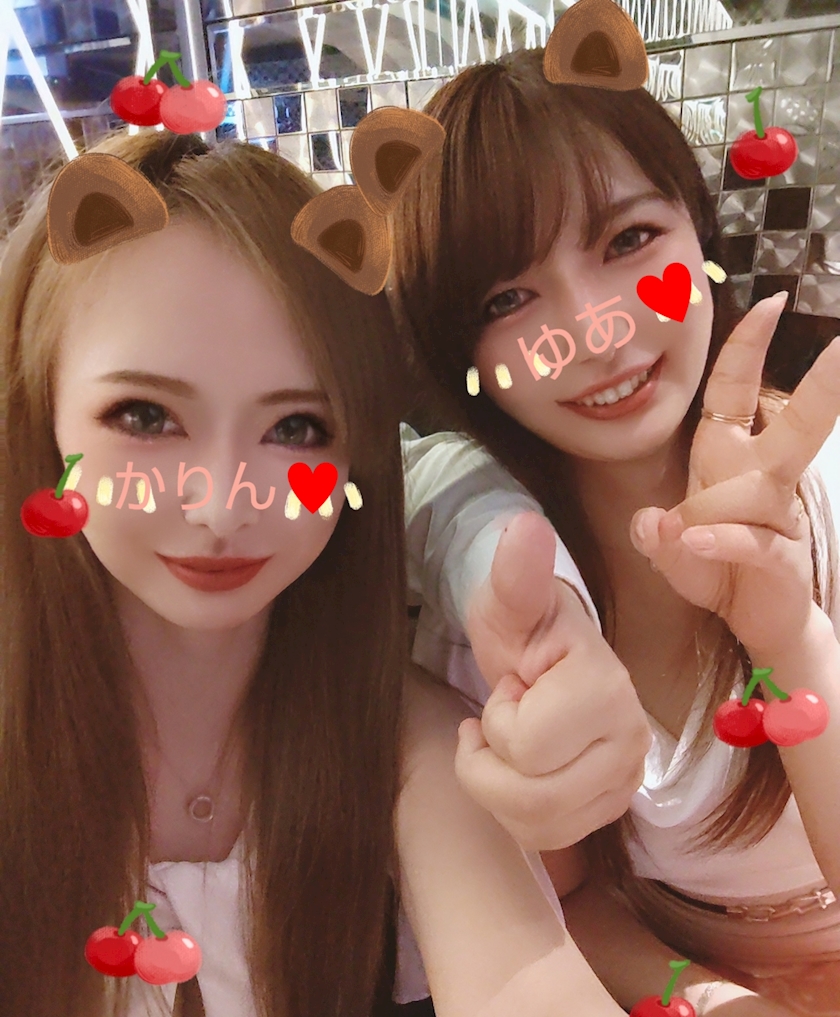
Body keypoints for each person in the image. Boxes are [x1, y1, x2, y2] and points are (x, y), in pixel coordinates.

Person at [0, 129, 632, 1017]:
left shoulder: (402, 741)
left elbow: (523, 978)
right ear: (41, 410)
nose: (222, 505)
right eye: (145, 415)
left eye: (295, 427)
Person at [389, 46, 840, 1016]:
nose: (595, 329)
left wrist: (792, 637)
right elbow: (576, 899)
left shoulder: (826, 481)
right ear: (462, 353)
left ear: (697, 231)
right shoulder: (513, 591)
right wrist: (709, 998)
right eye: (508, 299)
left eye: (630, 238)